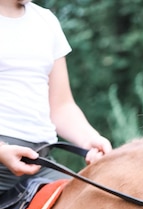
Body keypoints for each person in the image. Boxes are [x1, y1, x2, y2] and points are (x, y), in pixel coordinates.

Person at [0, 0, 112, 194]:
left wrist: (90, 139)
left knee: (98, 204)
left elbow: (61, 106)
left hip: (41, 164)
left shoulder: (46, 21)